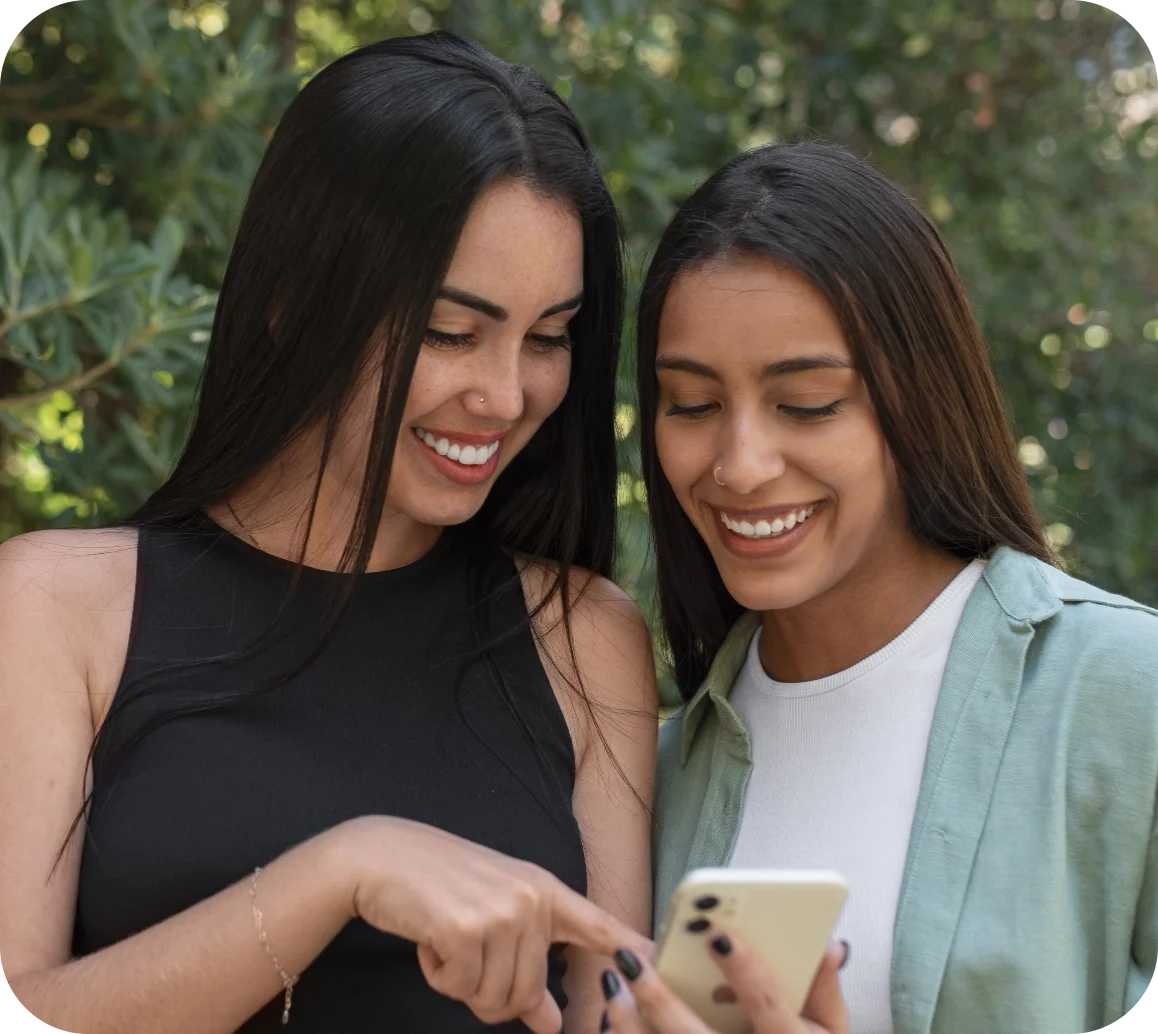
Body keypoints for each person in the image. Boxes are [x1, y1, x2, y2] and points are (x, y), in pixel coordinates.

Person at [0, 33, 657, 1034]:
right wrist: (343, 871)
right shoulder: (56, 608)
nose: (506, 391)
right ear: (291, 299)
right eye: (450, 330)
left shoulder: (584, 634)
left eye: (550, 336)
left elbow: (614, 1013)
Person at [610, 140, 1158, 1034]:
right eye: (693, 404)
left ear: (920, 397)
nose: (739, 466)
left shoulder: (1127, 696)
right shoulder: (655, 773)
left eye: (809, 402)